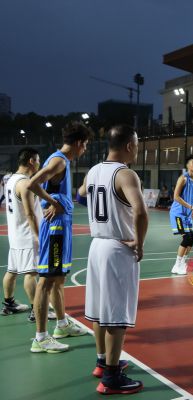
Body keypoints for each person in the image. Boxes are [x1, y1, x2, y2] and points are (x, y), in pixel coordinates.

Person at [80, 125, 148, 394]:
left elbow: (81, 193)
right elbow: (140, 211)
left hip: (96, 246)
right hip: (117, 248)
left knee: (100, 310)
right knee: (117, 315)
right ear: (129, 145)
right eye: (137, 144)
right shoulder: (126, 174)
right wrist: (139, 243)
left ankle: (102, 362)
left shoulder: (93, 171)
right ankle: (111, 378)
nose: (138, 149)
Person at [26, 121, 90, 353]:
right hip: (55, 229)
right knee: (46, 281)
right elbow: (32, 184)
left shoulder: (62, 161)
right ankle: (41, 338)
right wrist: (53, 202)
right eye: (85, 145)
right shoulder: (59, 161)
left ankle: (62, 325)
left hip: (61, 228)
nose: (85, 149)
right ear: (78, 143)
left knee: (58, 279)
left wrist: (54, 200)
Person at [2, 148, 58, 322]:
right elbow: (29, 214)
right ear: (31, 161)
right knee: (31, 273)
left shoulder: (11, 179)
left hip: (15, 234)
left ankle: (9, 304)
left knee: (12, 271)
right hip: (27, 235)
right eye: (38, 160)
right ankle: (36, 310)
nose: (40, 163)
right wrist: (38, 236)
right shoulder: (25, 183)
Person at [170, 155, 193, 275]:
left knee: (192, 238)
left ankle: (183, 263)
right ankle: (176, 265)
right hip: (178, 213)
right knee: (187, 238)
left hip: (188, 215)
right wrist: (190, 206)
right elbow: (176, 197)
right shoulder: (183, 178)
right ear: (188, 165)